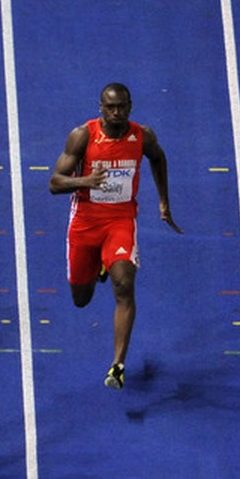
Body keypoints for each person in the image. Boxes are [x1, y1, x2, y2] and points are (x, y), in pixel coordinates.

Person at [49, 83, 181, 391]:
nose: (117, 112)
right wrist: (86, 180)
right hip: (84, 222)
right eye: (111, 107)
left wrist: (164, 201)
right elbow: (54, 183)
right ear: (101, 108)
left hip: (121, 220)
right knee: (81, 299)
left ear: (130, 106)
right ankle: (100, 266)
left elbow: (158, 159)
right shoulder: (83, 135)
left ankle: (117, 365)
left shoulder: (142, 136)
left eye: (122, 106)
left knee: (125, 284)